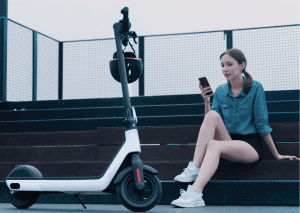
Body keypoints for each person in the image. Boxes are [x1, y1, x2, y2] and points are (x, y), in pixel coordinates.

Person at [171, 48, 300, 208]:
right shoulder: (220, 91)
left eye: (229, 64)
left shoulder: (255, 88)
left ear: (242, 65)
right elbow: (210, 121)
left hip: (249, 146)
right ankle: (195, 168)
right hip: (228, 140)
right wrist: (206, 101)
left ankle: (195, 192)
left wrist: (277, 154)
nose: (225, 69)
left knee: (213, 145)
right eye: (222, 65)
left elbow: (262, 124)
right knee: (212, 115)